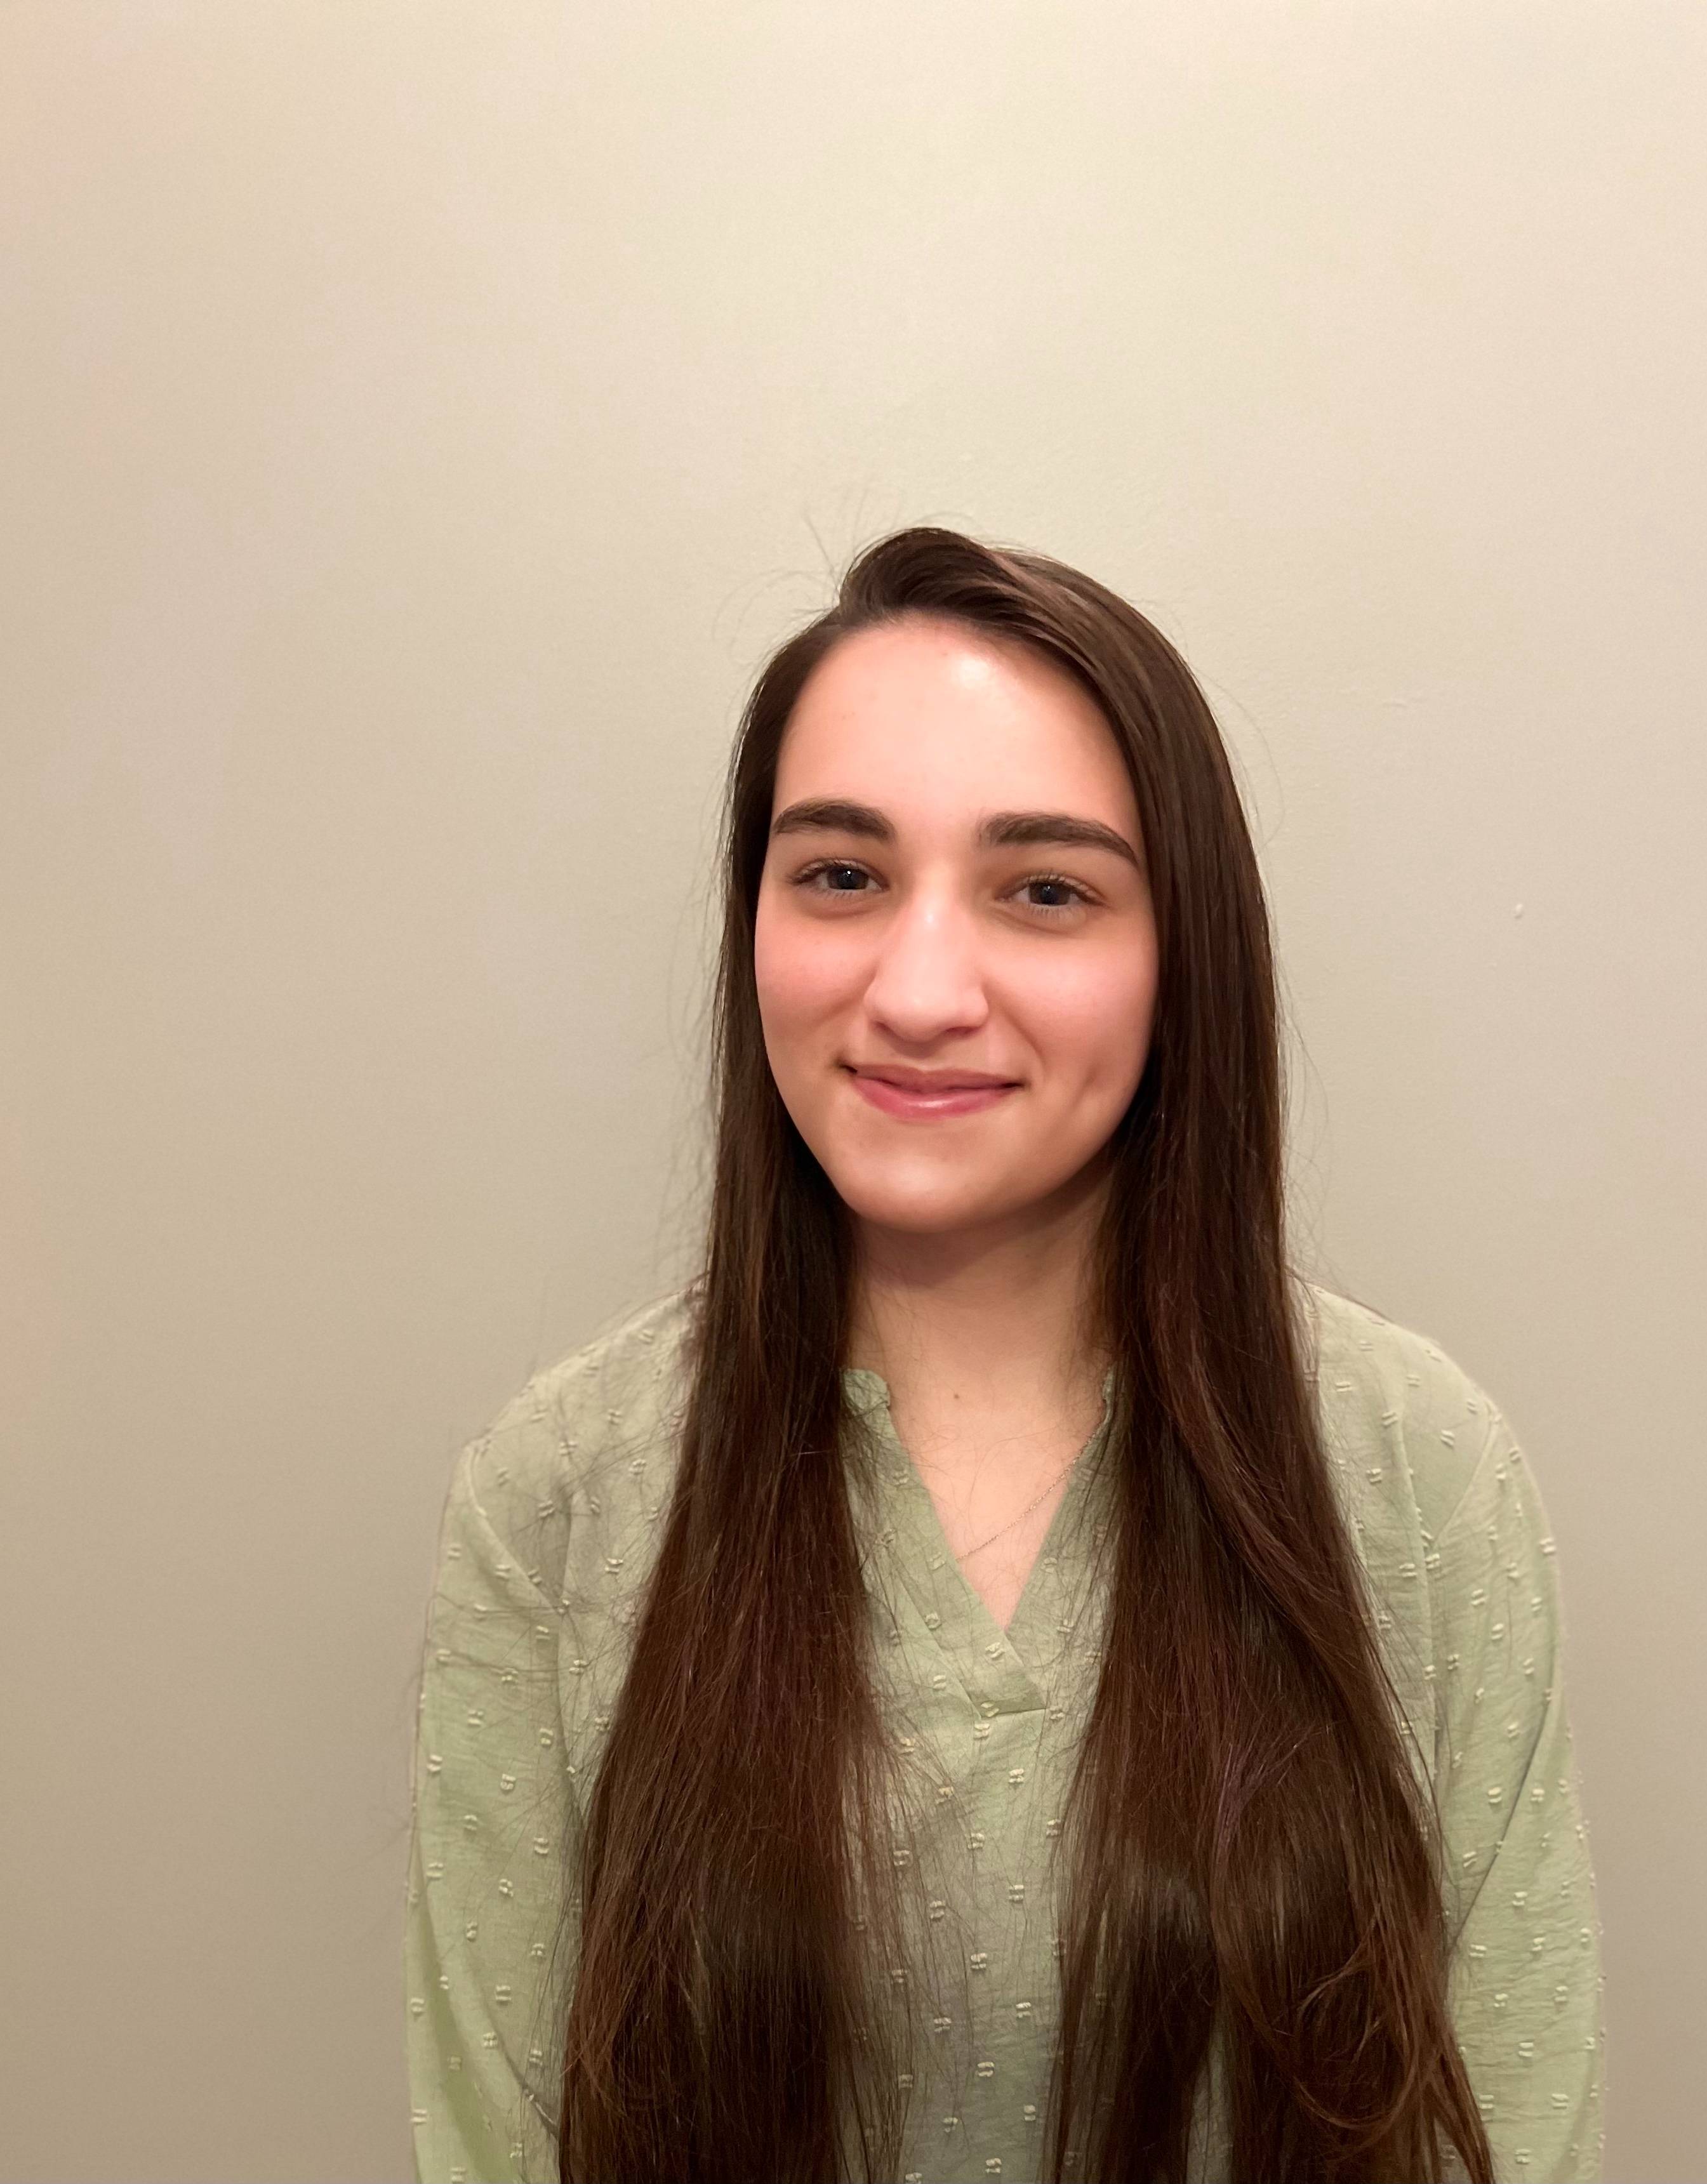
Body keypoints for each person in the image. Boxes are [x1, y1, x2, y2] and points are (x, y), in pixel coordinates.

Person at [402, 526, 1606, 2183]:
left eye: (1045, 890)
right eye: (842, 876)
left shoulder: (1416, 1473)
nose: (919, 991)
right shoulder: (560, 1496)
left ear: (1181, 958)